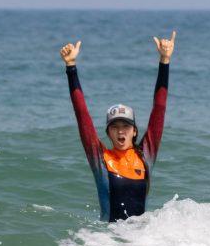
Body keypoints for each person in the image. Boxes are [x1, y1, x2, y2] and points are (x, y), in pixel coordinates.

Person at [60, 32, 176, 222]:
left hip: (141, 238)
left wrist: (165, 61)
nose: (121, 131)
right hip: (107, 238)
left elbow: (159, 108)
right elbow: (81, 114)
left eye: (126, 126)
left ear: (134, 131)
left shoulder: (145, 157)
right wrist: (71, 67)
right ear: (108, 132)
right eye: (115, 127)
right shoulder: (101, 159)